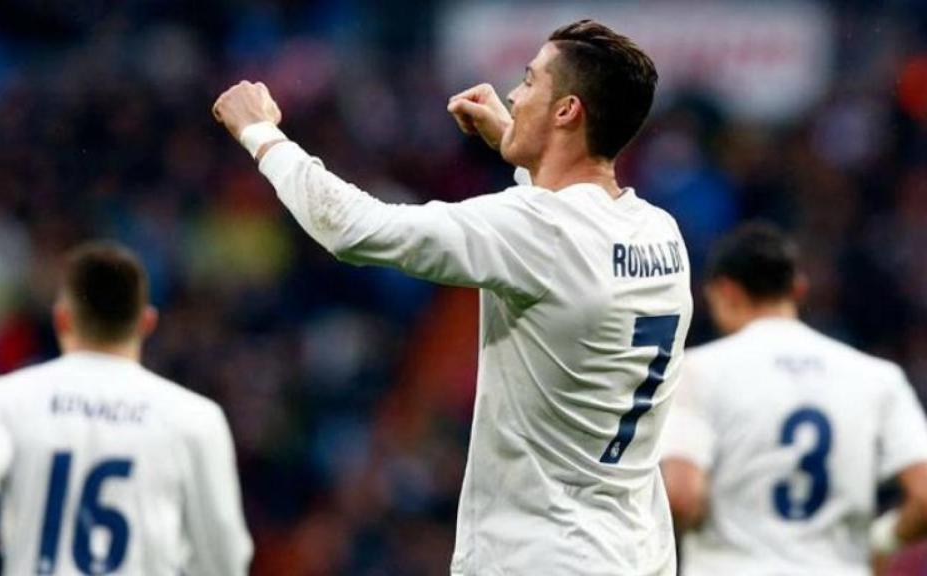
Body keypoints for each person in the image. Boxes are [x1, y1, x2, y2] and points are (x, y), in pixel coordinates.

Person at [213, 19, 692, 575]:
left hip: (542, 555)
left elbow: (354, 229)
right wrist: (524, 151)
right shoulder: (661, 234)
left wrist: (262, 136)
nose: (513, 95)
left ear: (567, 111)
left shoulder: (537, 230)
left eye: (530, 82)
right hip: (633, 552)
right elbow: (566, 240)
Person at [0, 242, 253, 575]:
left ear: (62, 318)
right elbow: (224, 557)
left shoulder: (3, 399)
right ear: (146, 322)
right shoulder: (195, 418)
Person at [661, 222, 927, 575]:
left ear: (724, 292)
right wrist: (882, 540)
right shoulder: (878, 377)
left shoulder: (699, 371)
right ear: (798, 289)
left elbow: (682, 496)